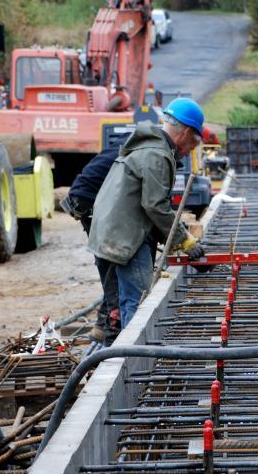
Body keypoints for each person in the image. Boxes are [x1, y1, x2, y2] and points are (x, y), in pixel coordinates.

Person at [88, 98, 206, 328]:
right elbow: (155, 206)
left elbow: (148, 206)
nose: (186, 153)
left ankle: (116, 354)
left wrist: (174, 242)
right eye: (191, 146)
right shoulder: (157, 155)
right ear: (186, 133)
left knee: (121, 305)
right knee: (138, 305)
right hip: (126, 239)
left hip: (109, 234)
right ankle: (133, 358)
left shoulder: (147, 146)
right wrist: (186, 241)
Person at [61, 133, 131, 345]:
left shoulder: (131, 145)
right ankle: (111, 338)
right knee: (111, 266)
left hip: (86, 201)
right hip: (88, 203)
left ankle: (101, 327)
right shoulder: (141, 152)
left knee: (110, 267)